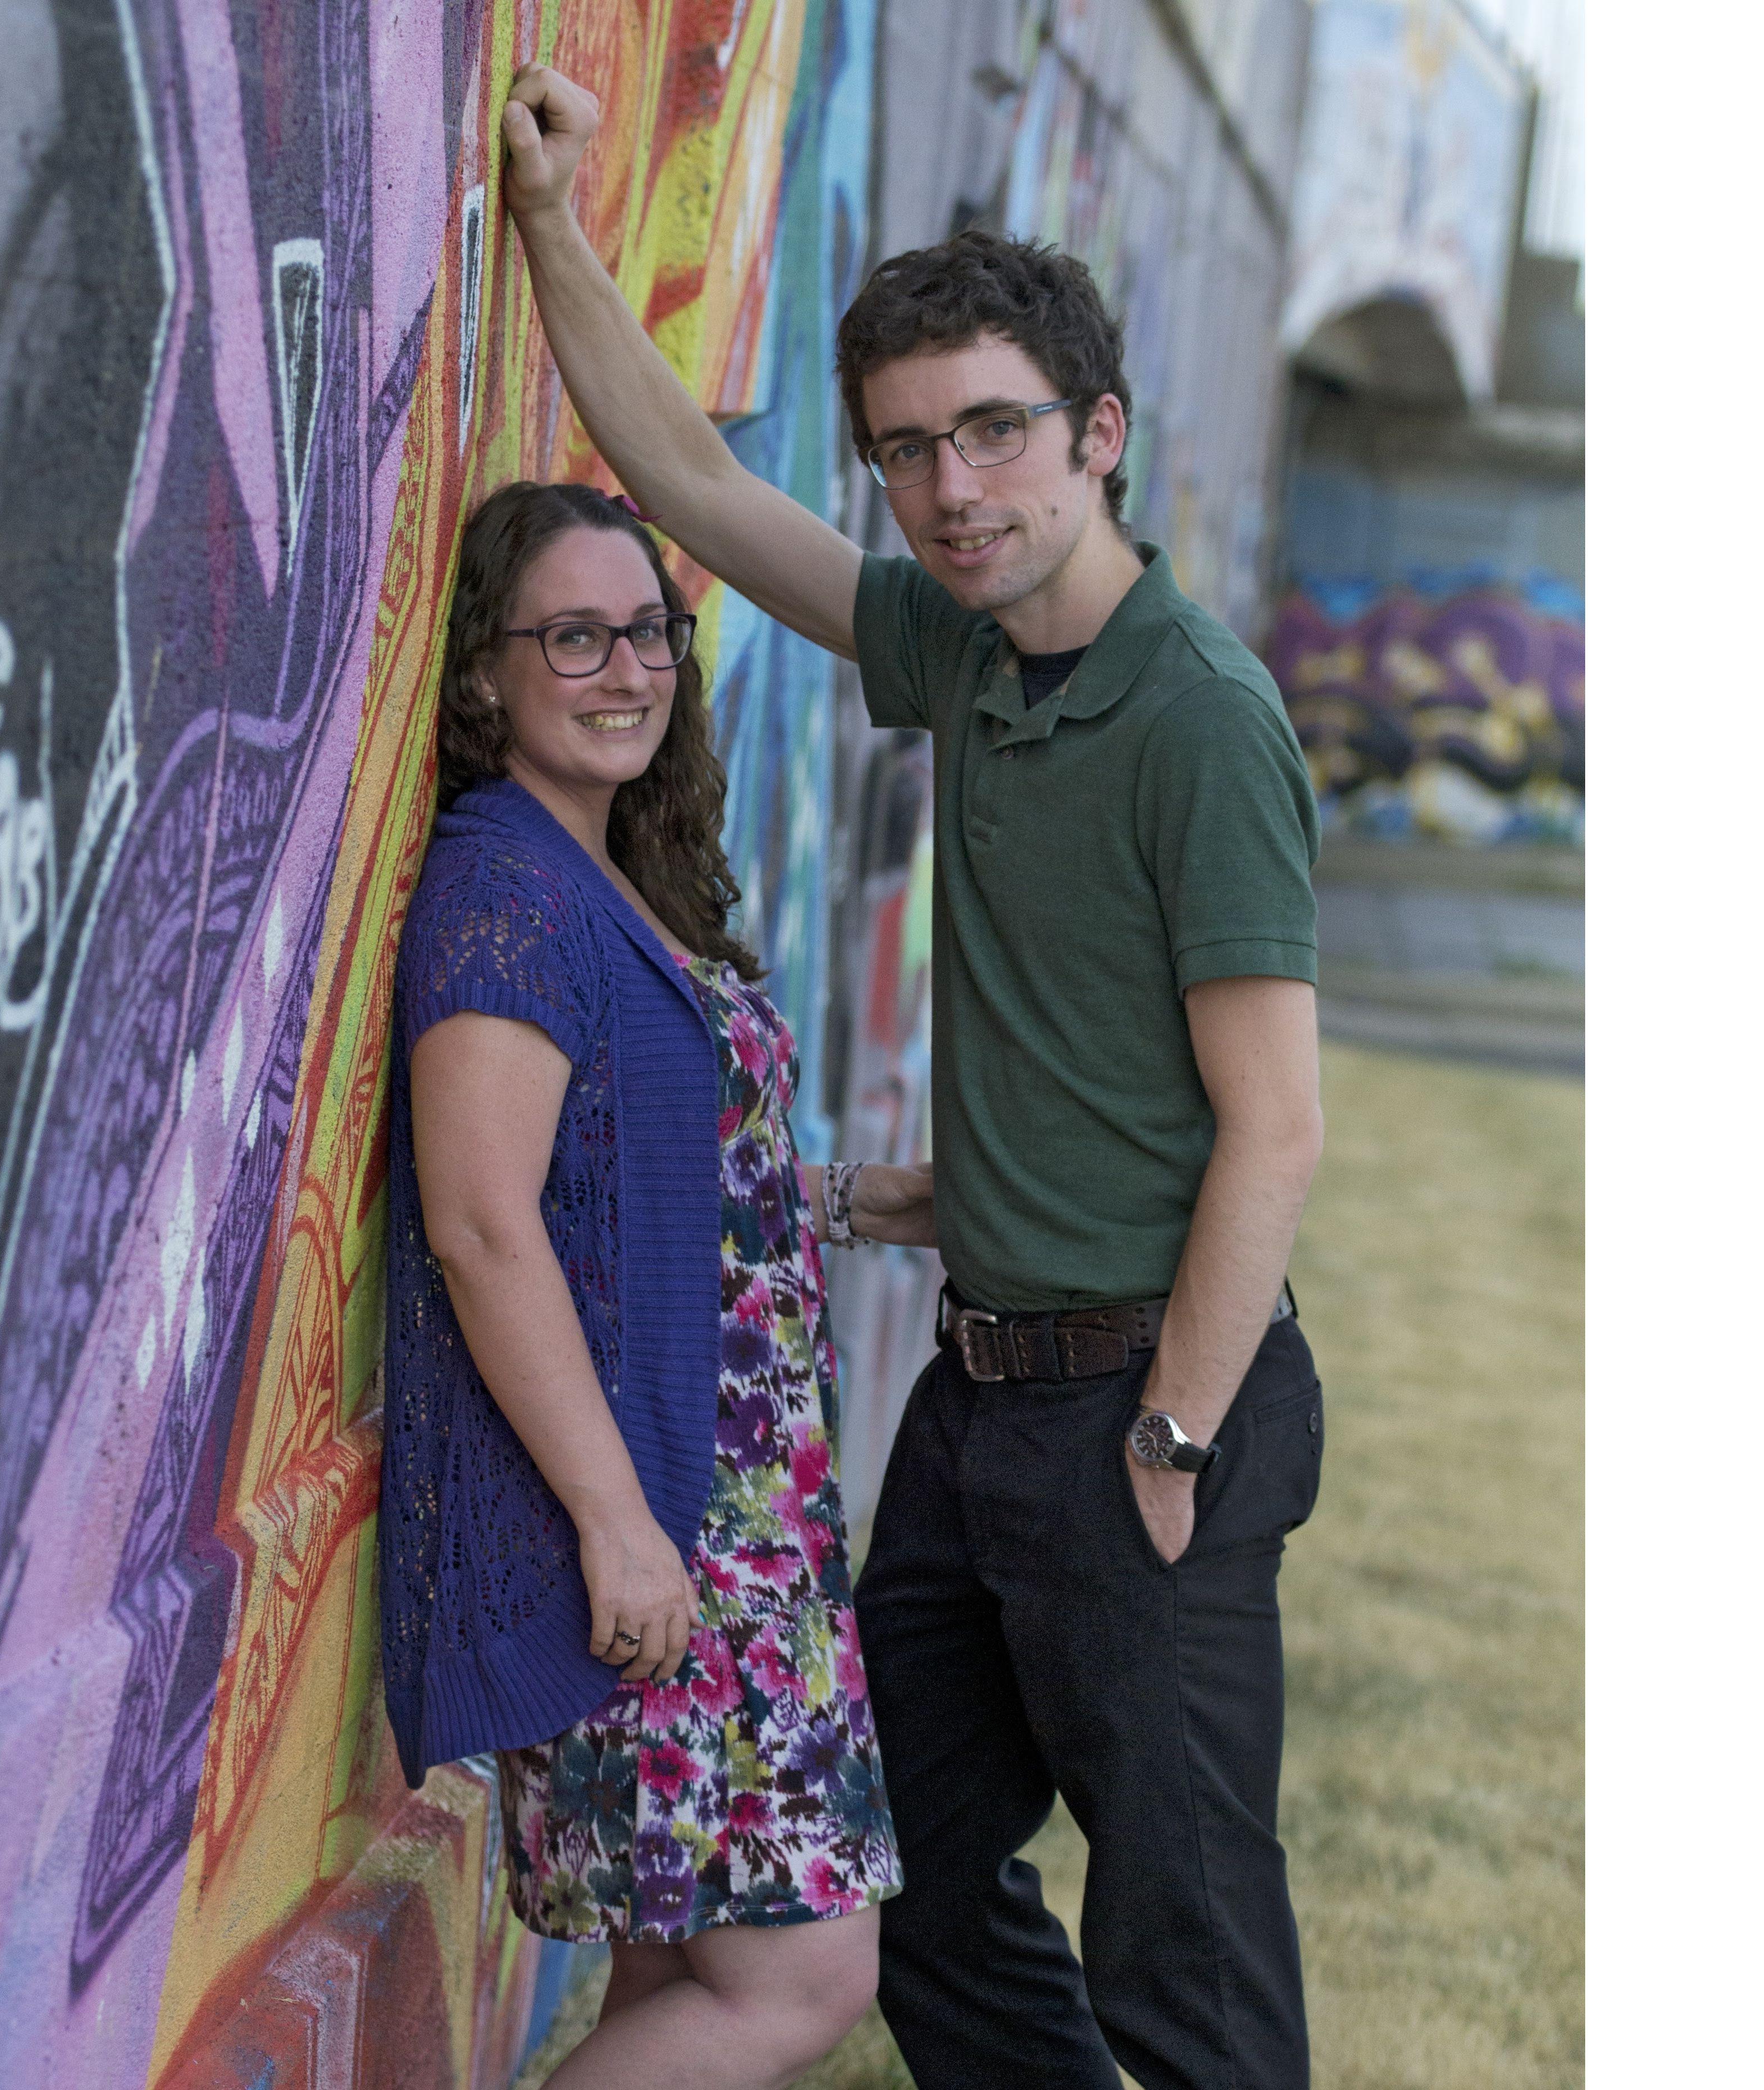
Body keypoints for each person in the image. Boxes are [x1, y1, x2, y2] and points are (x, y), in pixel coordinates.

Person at [496, 65, 1330, 2090]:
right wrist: (544, 224)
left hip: (1146, 1407)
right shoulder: (964, 649)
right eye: (907, 452)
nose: (951, 487)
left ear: (1094, 436)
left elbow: (1274, 1121)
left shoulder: (1196, 719)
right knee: (907, 1883)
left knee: (1187, 1952)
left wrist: (1173, 1445)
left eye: (994, 433)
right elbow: (689, 485)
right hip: (980, 1402)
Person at [380, 480, 932, 2090]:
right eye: (572, 636)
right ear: (485, 674)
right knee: (802, 1972)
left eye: (646, 634)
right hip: (658, 1523)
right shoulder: (504, 892)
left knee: (668, 1965)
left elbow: (641, 1178)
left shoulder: (606, 869)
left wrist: (835, 1200)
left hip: (738, 1513)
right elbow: (484, 1224)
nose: (624, 670)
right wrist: (618, 1523)